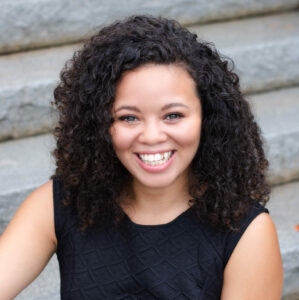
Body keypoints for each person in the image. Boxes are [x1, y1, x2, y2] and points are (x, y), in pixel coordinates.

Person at [0, 14, 283, 299]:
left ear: (206, 118)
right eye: (128, 117)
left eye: (173, 115)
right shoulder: (61, 203)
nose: (151, 136)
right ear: (100, 124)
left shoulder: (247, 232)